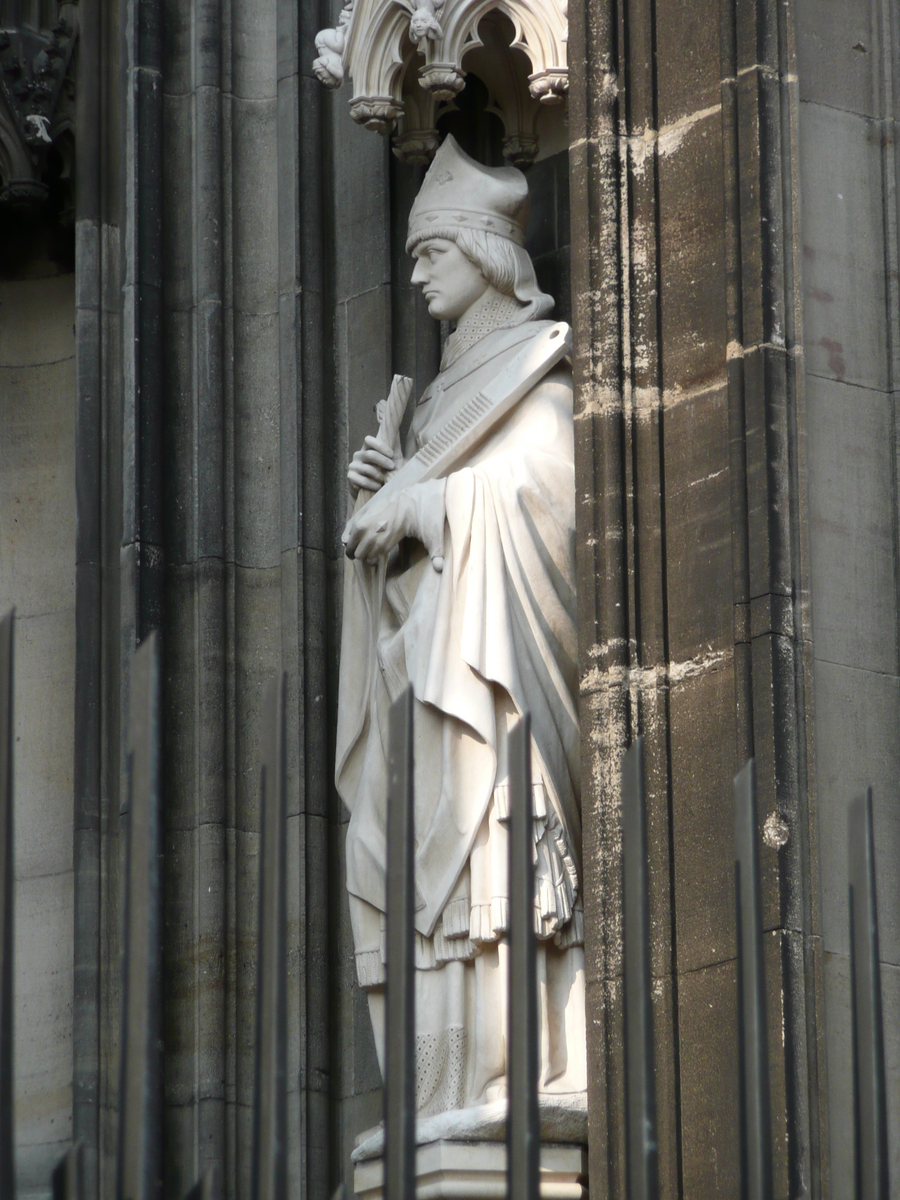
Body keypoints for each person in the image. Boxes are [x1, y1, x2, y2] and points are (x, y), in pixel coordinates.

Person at [336, 136, 586, 1118]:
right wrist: (383, 522)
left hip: (488, 690)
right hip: (427, 692)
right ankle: (441, 1094)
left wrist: (431, 508)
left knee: (497, 855)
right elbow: (407, 573)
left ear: (483, 254)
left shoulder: (535, 373)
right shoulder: (437, 405)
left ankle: (512, 1072)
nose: (413, 273)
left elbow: (547, 493)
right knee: (413, 867)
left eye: (429, 252)